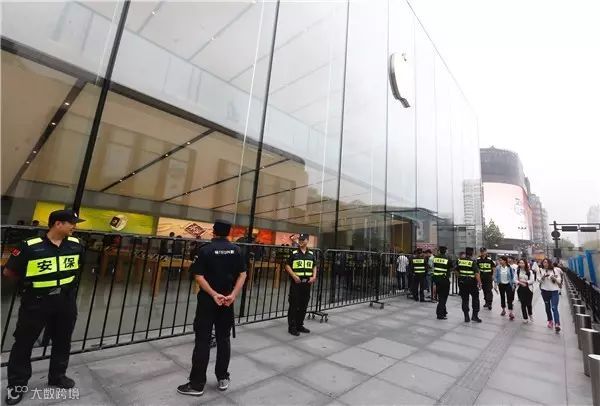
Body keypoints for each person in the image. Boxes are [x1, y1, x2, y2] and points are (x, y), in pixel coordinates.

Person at [3, 209, 85, 405]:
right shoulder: (30, 246)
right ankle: (17, 385)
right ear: (58, 224)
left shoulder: (76, 245)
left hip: (65, 300)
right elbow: (9, 271)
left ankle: (58, 376)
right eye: (71, 223)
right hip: (37, 301)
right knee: (24, 342)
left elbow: (78, 268)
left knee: (63, 339)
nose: (74, 227)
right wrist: (30, 284)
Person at [177, 220, 247, 396]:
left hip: (208, 301)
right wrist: (233, 295)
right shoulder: (237, 250)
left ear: (214, 232)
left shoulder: (205, 250)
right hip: (227, 301)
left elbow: (198, 276)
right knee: (224, 339)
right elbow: (243, 274)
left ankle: (197, 384)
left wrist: (214, 294)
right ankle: (223, 377)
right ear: (229, 232)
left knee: (203, 340)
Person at [285, 234, 318, 336]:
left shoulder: (311, 254)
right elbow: (287, 265)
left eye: (303, 239)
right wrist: (294, 276)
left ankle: (300, 325)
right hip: (296, 283)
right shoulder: (294, 253)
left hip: (307, 283)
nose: (301, 241)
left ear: (307, 241)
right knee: (294, 305)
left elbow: (314, 266)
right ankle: (292, 327)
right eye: (300, 239)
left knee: (304, 305)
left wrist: (314, 276)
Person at [457, 247, 482, 322]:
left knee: (465, 300)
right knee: (475, 299)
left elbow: (455, 270)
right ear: (472, 253)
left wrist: (460, 277)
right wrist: (479, 282)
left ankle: (466, 317)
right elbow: (476, 273)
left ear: (466, 253)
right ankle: (474, 316)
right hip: (472, 283)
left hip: (462, 283)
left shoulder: (459, 261)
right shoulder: (472, 262)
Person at [539, 258, 562, 332]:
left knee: (554, 307)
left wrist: (553, 278)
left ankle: (557, 324)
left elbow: (559, 281)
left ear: (549, 263)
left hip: (554, 291)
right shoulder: (541, 270)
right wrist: (543, 277)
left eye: (546, 262)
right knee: (547, 307)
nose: (545, 264)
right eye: (544, 262)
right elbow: (539, 280)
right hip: (545, 291)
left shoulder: (555, 270)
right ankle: (550, 321)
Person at [432, 246, 452, 320]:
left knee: (440, 296)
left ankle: (443, 311)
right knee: (443, 297)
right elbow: (451, 267)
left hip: (437, 279)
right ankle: (440, 314)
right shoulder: (447, 258)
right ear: (445, 251)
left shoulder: (435, 258)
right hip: (444, 279)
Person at [515, 259, 535, 323]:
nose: (521, 264)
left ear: (525, 264)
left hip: (528, 289)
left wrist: (525, 282)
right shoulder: (517, 271)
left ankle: (530, 314)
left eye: (522, 263)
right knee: (523, 303)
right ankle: (525, 317)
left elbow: (532, 280)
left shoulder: (529, 271)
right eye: (520, 263)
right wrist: (520, 283)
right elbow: (514, 279)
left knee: (529, 304)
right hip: (520, 289)